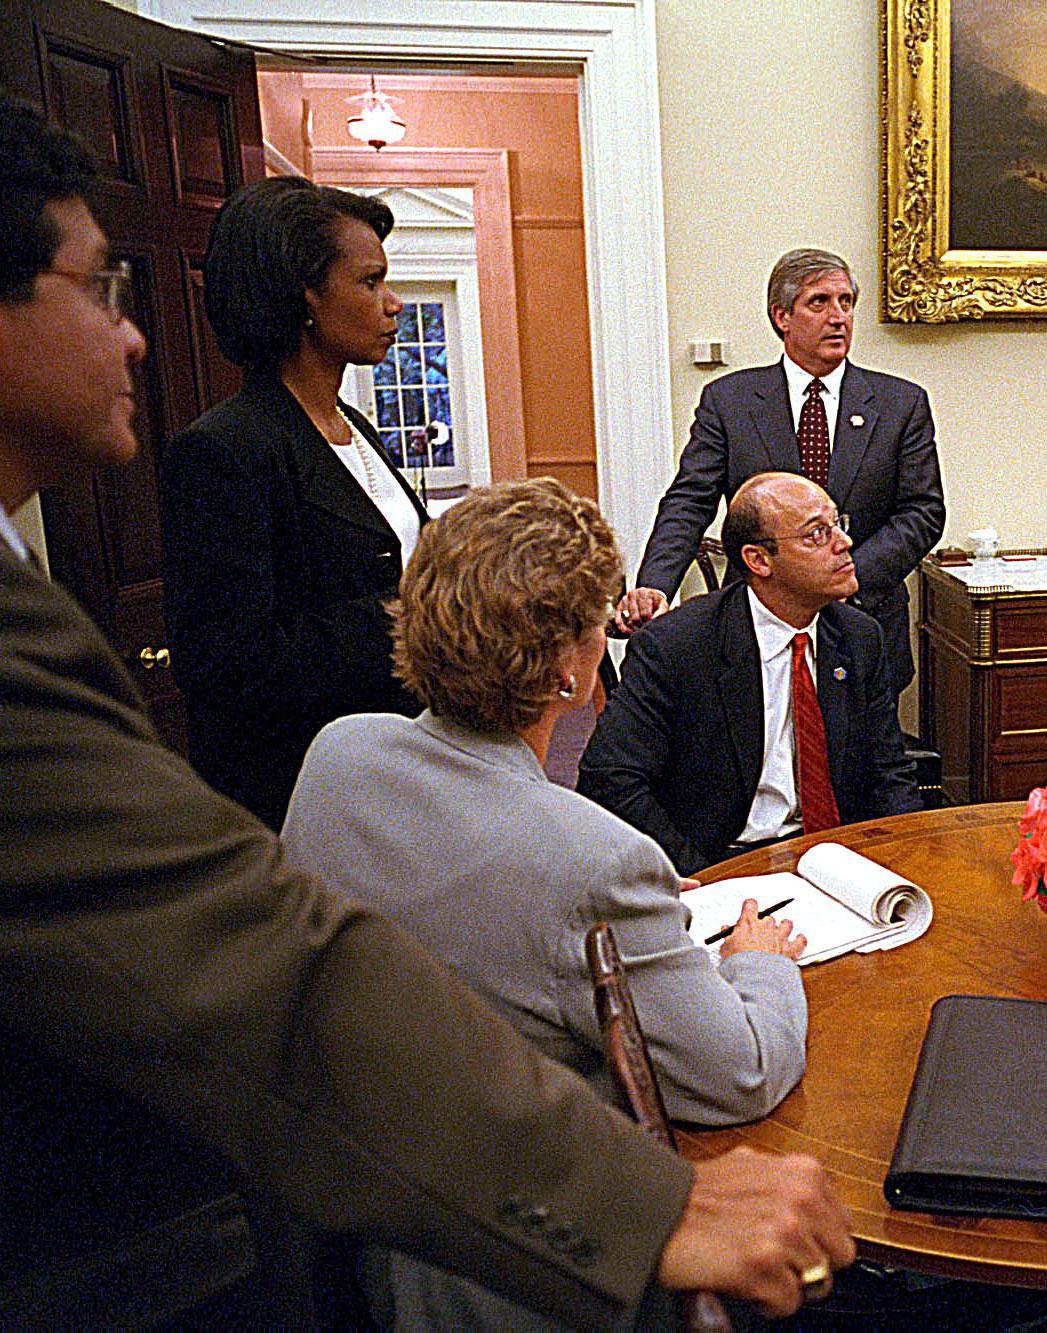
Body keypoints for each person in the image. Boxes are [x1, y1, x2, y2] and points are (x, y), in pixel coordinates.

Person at [0, 97, 851, 1324]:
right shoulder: (229, 458)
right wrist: (639, 1200)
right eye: (98, 291)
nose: (130, 340)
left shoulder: (354, 438)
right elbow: (283, 942)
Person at [283, 476, 813, 1326]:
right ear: (569, 665)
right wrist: (759, 967)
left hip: (354, 1227)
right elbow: (739, 1073)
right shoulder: (591, 857)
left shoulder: (338, 755)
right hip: (527, 1269)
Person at [159, 175, 430, 829]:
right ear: (302, 295)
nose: (393, 304)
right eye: (370, 282)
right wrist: (411, 613)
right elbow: (227, 664)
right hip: (304, 796)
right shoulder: (224, 450)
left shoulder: (354, 426)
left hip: (398, 767)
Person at [613, 247, 943, 697]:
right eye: (819, 302)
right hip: (754, 622)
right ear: (782, 316)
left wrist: (842, 575)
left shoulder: (899, 403)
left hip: (864, 617)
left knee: (860, 763)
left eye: (846, 302)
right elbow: (690, 501)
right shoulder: (730, 402)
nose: (838, 317)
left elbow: (922, 512)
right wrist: (655, 584)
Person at [582, 472, 920, 875]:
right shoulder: (677, 646)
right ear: (758, 560)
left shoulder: (859, 637)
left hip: (835, 860)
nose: (844, 543)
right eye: (816, 533)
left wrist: (906, 860)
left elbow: (888, 772)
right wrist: (699, 878)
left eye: (837, 524)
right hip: (723, 859)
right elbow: (610, 780)